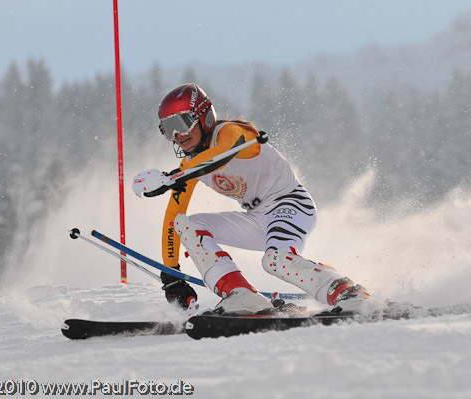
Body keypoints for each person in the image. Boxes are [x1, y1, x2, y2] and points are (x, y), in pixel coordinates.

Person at [132, 83, 379, 315]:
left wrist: (173, 177)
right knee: (188, 224)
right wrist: (171, 271)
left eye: (182, 123)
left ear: (203, 117)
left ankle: (348, 293)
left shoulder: (231, 133)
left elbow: (220, 157)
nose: (177, 135)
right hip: (257, 217)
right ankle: (241, 295)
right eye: (167, 128)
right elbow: (174, 216)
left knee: (275, 260)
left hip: (290, 204)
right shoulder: (189, 165)